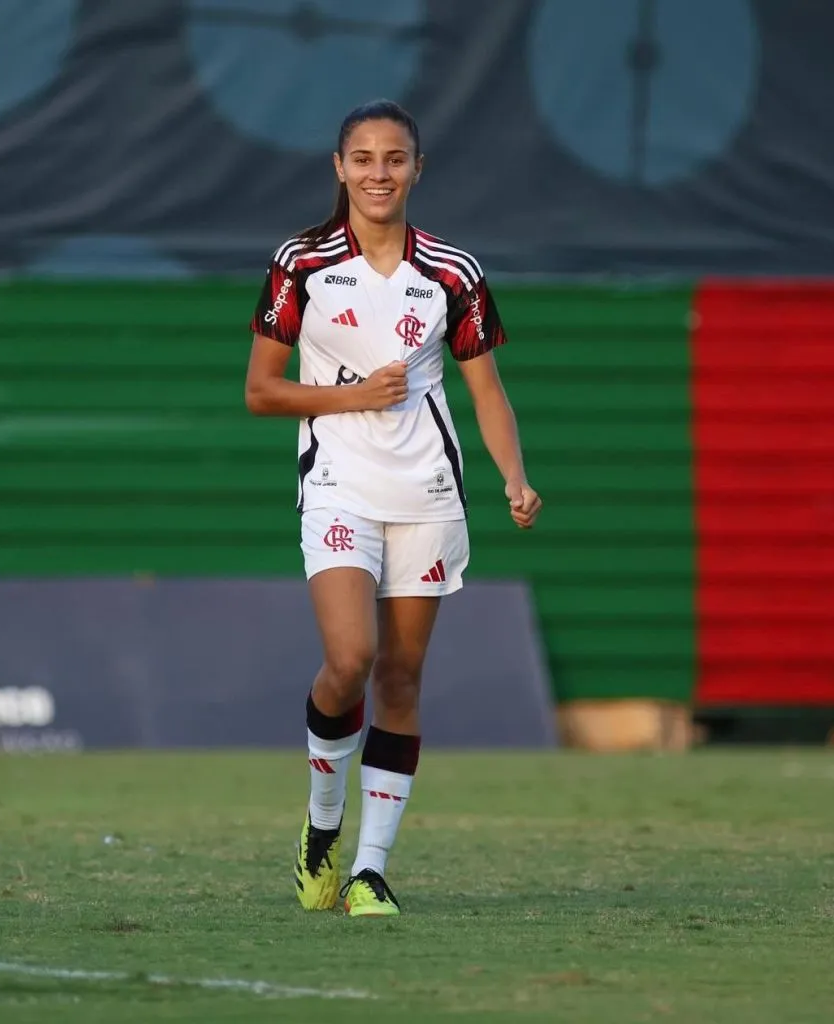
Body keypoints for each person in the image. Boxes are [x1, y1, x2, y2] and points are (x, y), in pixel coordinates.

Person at [245, 99, 542, 918]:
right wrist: (352, 399)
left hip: (428, 498)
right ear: (338, 169)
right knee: (349, 661)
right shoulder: (300, 264)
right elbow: (260, 392)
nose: (380, 173)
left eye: (395, 159)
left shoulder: (453, 272)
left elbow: (486, 390)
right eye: (364, 158)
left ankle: (369, 869)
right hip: (339, 484)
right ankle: (319, 830)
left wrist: (513, 477)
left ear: (417, 169)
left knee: (400, 678)